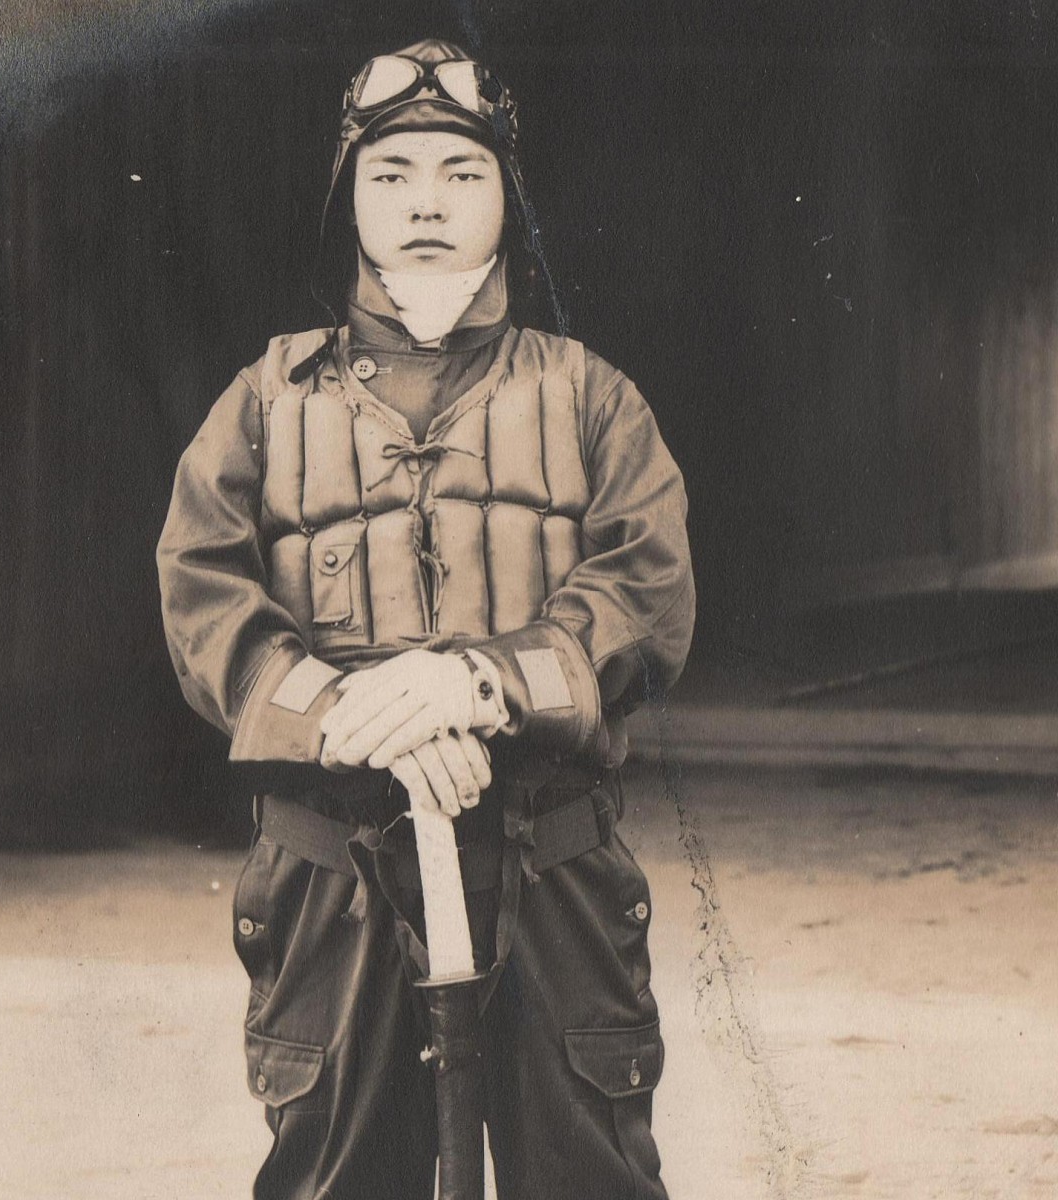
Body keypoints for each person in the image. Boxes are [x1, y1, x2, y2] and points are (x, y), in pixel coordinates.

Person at [157, 37, 694, 1200]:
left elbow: (646, 587)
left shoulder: (594, 397)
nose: (426, 205)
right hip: (332, 875)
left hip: (553, 868)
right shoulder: (262, 404)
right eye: (391, 173)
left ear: (508, 197)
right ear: (348, 197)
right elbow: (204, 597)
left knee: (588, 1177)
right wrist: (356, 710)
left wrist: (480, 684)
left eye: (461, 172)